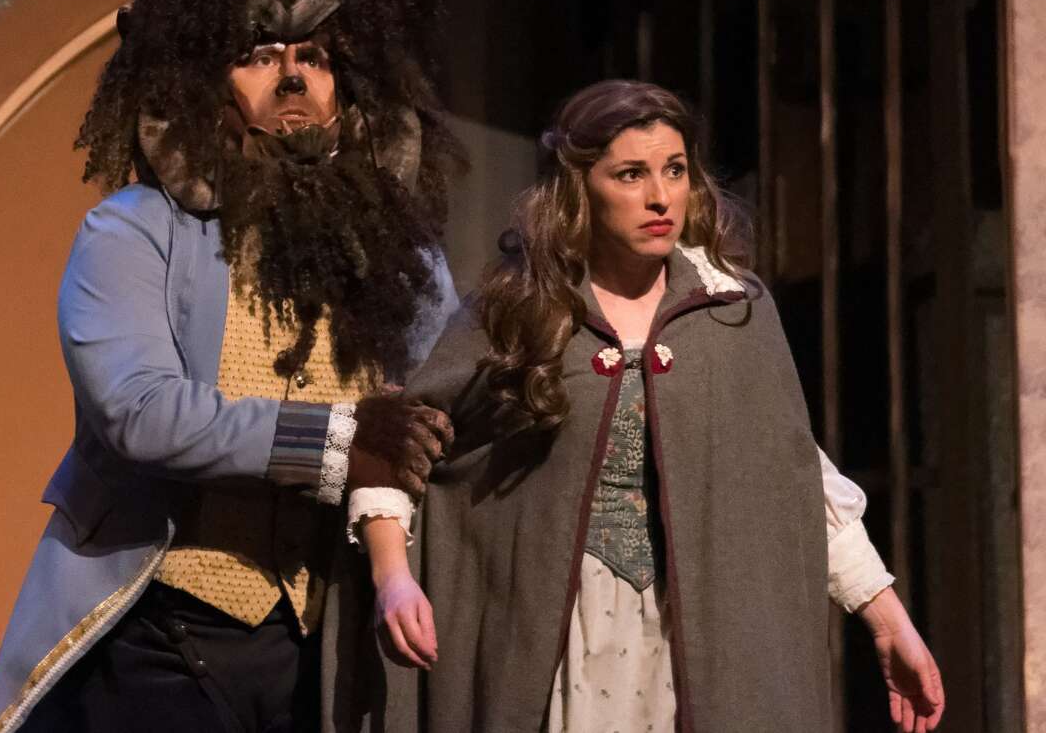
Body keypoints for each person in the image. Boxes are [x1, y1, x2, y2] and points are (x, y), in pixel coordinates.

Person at [0, 0, 497, 733]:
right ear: (203, 77)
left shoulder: (392, 253)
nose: (293, 75)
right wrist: (338, 438)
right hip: (159, 642)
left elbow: (437, 400)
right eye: (260, 53)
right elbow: (142, 412)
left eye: (318, 56)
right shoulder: (132, 231)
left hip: (317, 652)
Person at [350, 80, 946, 733]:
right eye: (631, 174)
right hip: (562, 638)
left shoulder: (731, 314)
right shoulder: (520, 311)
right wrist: (393, 575)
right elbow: (404, 444)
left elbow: (791, 475)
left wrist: (885, 615)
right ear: (580, 186)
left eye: (675, 170)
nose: (660, 196)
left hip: (694, 640)